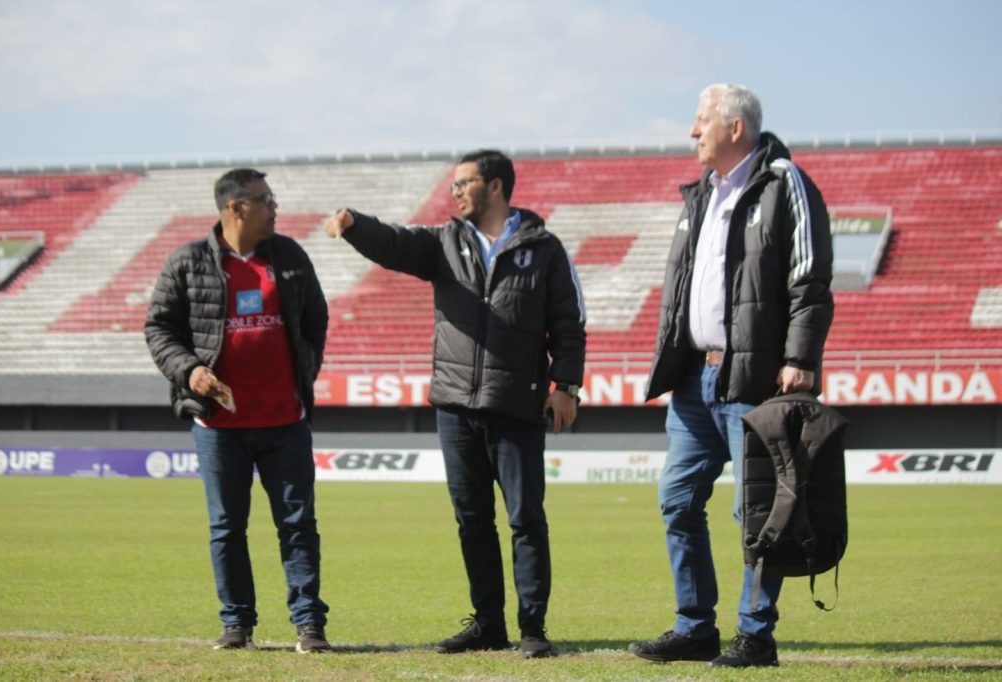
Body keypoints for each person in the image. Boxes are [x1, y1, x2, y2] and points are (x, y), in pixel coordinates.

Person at [322, 149, 586, 659]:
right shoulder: (444, 243)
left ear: (496, 186)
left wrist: (565, 387)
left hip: (517, 406)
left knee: (526, 517)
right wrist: (355, 225)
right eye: (454, 185)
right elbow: (395, 244)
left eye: (464, 183)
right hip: (455, 407)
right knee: (472, 520)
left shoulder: (545, 248)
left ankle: (533, 627)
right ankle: (488, 624)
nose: (456, 192)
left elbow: (569, 322)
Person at [629, 84, 834, 668]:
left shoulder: (783, 182)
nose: (693, 132)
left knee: (759, 512)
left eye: (700, 121)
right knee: (676, 501)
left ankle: (755, 635)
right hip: (695, 379)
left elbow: (810, 278)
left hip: (756, 382)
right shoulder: (699, 195)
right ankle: (695, 626)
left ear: (734, 127)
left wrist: (800, 358)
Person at [145, 168, 332, 653]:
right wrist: (189, 371)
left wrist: (301, 374)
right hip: (218, 426)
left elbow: (316, 319)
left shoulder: (289, 256)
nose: (275, 207)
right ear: (236, 207)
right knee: (227, 528)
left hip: (285, 422)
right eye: (265, 199)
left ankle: (309, 624)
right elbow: (159, 329)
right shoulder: (186, 262)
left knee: (298, 526)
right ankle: (237, 624)